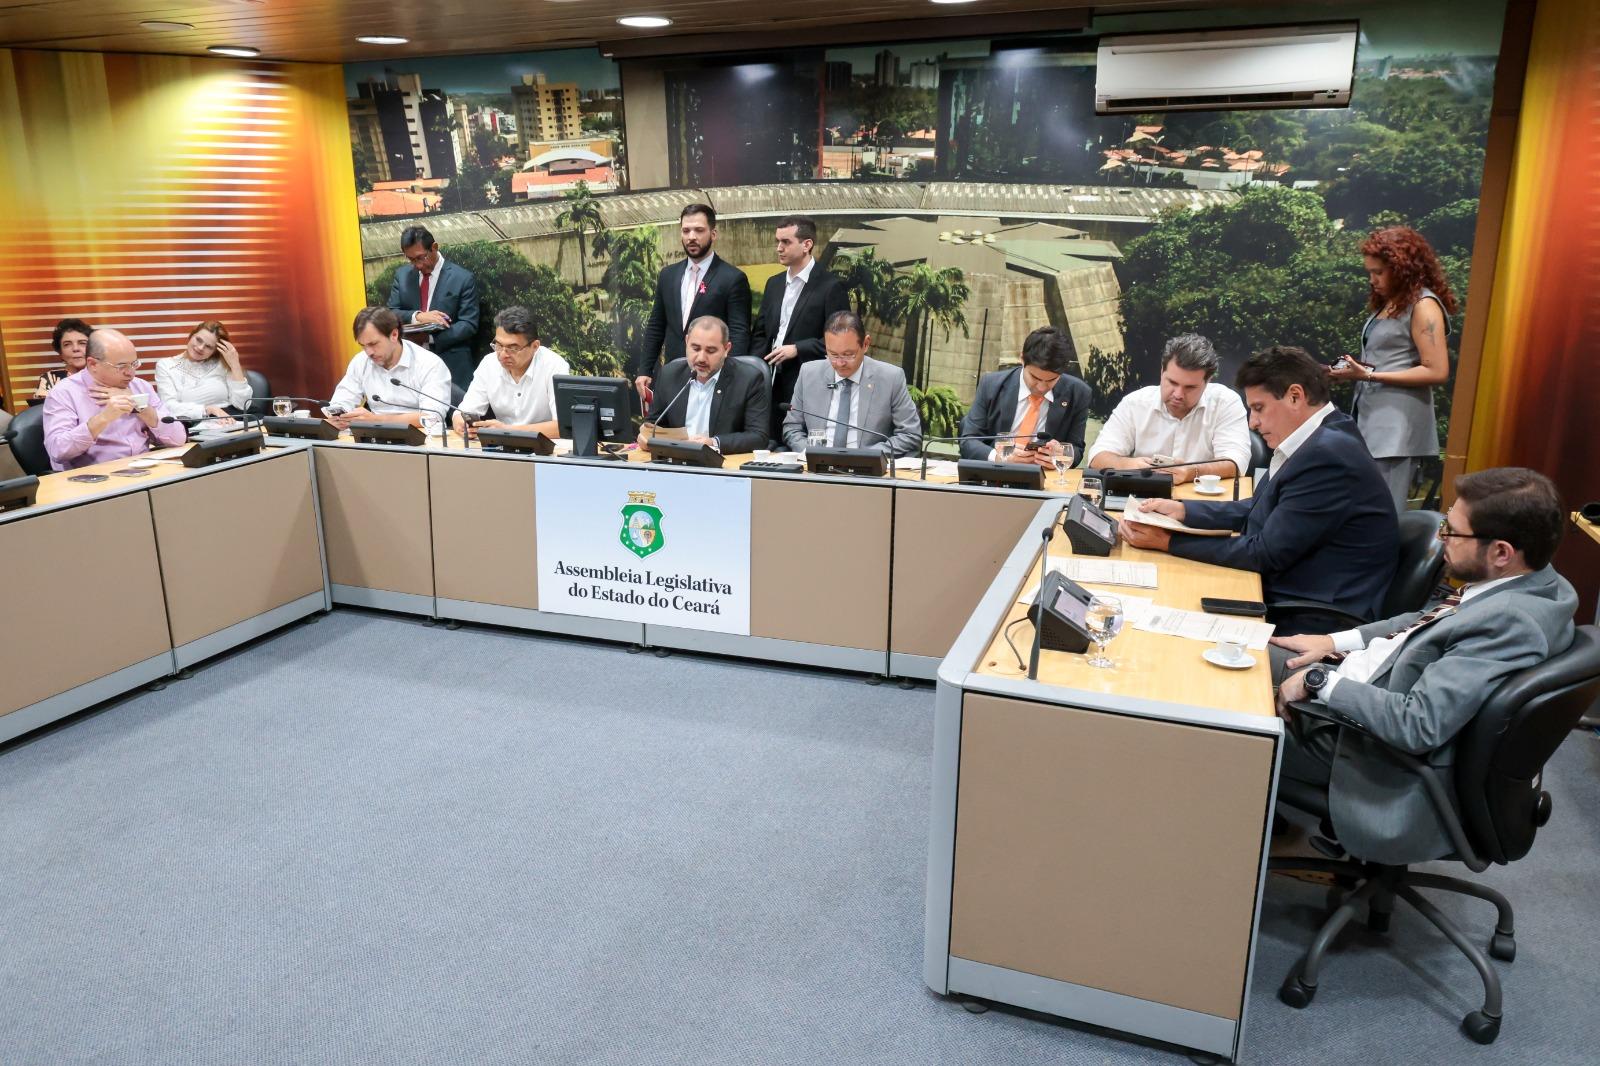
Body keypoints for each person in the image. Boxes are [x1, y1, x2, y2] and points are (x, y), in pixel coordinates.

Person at [1269, 467, 1576, 863]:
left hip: (1370, 751)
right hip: (1369, 690)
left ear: (1501, 552)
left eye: (1454, 531)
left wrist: (1318, 682)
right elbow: (1425, 619)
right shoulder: (1536, 582)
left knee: (1222, 713)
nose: (1441, 536)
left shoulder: (1510, 624)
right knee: (1243, 652)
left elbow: (1417, 725)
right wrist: (1332, 642)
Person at [1119, 345, 1398, 633]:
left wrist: (1167, 542)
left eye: (1259, 408)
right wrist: (1182, 510)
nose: (1253, 422)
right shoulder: (1323, 436)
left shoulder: (1327, 456)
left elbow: (1265, 553)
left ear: (1295, 396)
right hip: (1292, 592)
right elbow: (1257, 508)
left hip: (1312, 617)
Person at [1330, 226, 1457, 511]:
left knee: (1382, 511)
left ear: (1402, 269)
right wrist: (1350, 372)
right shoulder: (1392, 303)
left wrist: (1369, 375)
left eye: (1379, 272)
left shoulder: (1423, 305)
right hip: (1372, 421)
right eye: (1370, 273)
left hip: (1396, 429)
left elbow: (1436, 371)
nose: (1372, 280)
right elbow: (1389, 360)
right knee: (1364, 509)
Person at [1088, 332, 1251, 484]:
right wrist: (1130, 465)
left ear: (1207, 382)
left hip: (1202, 505)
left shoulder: (1225, 402)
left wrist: (1192, 471)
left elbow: (1236, 462)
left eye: (1190, 387)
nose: (1178, 394)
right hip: (1144, 501)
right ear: (1161, 372)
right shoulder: (1135, 403)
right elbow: (1097, 457)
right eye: (1172, 382)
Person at [633, 203, 752, 403]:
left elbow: (739, 333)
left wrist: (731, 379)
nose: (691, 237)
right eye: (686, 230)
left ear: (713, 234)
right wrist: (645, 370)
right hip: (674, 375)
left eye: (699, 230)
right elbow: (656, 326)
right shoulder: (668, 275)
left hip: (713, 378)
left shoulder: (732, 278)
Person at [748, 215, 851, 439]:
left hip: (805, 382)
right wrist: (754, 371)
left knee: (796, 443)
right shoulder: (774, 283)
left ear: (807, 245)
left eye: (786, 242)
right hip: (768, 381)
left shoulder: (830, 287)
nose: (779, 248)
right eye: (777, 241)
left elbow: (840, 343)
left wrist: (797, 349)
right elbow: (761, 333)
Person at [42, 328, 186, 470]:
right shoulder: (64, 393)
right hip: (95, 478)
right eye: (121, 366)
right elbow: (57, 450)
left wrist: (139, 406)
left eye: (134, 364)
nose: (130, 373)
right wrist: (103, 418)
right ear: (93, 364)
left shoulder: (140, 386)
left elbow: (178, 439)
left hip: (144, 469)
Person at [782, 311, 921, 458]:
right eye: (833, 355)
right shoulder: (809, 373)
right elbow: (792, 428)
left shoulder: (891, 378)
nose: (840, 363)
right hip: (817, 467)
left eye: (848, 355)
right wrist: (810, 453)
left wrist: (867, 456)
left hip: (867, 471)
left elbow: (910, 434)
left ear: (865, 344)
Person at [959, 326, 1092, 466]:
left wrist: (1061, 454)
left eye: (1051, 380)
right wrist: (1000, 457)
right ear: (1022, 358)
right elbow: (969, 441)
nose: (1041, 387)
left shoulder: (1078, 393)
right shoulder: (991, 384)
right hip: (996, 474)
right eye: (1035, 377)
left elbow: (1076, 449)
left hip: (1043, 477)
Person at [639, 316, 770, 455]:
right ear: (686, 341)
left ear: (726, 349)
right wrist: (646, 437)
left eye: (711, 351)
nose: (701, 358)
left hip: (722, 466)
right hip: (675, 462)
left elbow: (758, 437)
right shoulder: (669, 374)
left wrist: (713, 442)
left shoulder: (749, 379)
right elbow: (653, 426)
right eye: (695, 348)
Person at [326, 306, 452, 432]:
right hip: (374, 438)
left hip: (420, 439)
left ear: (394, 334)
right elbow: (341, 401)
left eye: (373, 344)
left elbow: (432, 418)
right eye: (363, 346)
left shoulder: (429, 364)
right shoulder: (361, 361)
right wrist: (338, 417)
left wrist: (377, 420)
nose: (369, 352)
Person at [452, 306, 570, 439]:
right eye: (498, 345)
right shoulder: (489, 364)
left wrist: (507, 430)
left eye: (513, 348)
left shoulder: (554, 366)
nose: (503, 354)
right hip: (501, 448)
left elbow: (564, 427)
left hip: (546, 450)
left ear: (535, 346)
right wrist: (461, 423)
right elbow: (464, 412)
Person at [387, 225, 481, 390]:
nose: (416, 265)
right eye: (410, 259)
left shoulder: (463, 278)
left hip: (451, 365)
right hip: (411, 366)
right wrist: (418, 316)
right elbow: (390, 313)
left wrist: (428, 339)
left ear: (434, 247)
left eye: (420, 258)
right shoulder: (402, 276)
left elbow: (468, 324)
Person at [153, 320, 252, 420]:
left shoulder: (222, 364)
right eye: (198, 340)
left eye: (208, 346)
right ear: (191, 336)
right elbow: (168, 406)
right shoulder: (166, 365)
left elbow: (243, 405)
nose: (200, 348)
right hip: (193, 422)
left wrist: (235, 364)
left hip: (232, 419)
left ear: (214, 351)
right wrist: (208, 410)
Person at [31, 318, 94, 403]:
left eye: (82, 343)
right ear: (60, 351)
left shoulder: (104, 376)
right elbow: (43, 412)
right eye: (67, 344)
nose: (75, 349)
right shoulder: (50, 379)